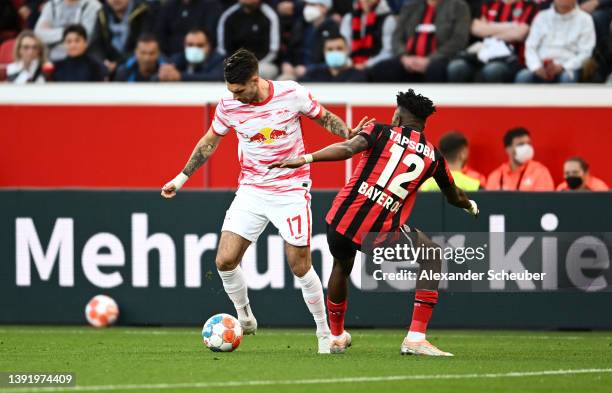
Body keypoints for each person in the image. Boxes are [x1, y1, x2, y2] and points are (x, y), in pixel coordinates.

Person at [160, 49, 374, 354]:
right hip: (251, 189)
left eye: (239, 90)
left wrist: (348, 134)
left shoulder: (290, 93)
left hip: (290, 190)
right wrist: (180, 178)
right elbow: (210, 141)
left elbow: (323, 117)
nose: (234, 96)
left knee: (299, 265)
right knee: (224, 260)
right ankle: (245, 316)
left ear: (255, 80)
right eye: (229, 91)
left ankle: (325, 334)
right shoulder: (228, 106)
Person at [268, 89, 479, 356]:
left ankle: (336, 336)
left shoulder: (378, 131)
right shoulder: (434, 157)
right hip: (379, 234)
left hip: (341, 221)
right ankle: (415, 338)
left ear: (399, 116)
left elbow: (347, 148)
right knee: (431, 254)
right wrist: (469, 205)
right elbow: (453, 195)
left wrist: (306, 158)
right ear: (423, 123)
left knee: (341, 266)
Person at [369, 0, 471, 82]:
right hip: (408, 59)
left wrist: (429, 60)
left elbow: (459, 40)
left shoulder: (459, 6)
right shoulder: (411, 6)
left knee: (435, 70)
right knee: (381, 69)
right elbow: (397, 37)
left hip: (441, 59)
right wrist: (404, 57)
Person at [447, 0, 538, 83]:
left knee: (493, 69)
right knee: (457, 67)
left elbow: (520, 34)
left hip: (514, 61)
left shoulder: (530, 6)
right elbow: (475, 29)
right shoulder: (489, 4)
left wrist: (489, 30)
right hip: (484, 57)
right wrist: (512, 26)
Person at [514, 0, 595, 83]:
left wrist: (563, 67)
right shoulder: (541, 17)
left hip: (568, 67)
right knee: (523, 76)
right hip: (542, 67)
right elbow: (530, 46)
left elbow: (586, 52)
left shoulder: (585, 19)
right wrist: (536, 67)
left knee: (567, 78)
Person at [217, 0, 280, 78]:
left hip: (262, 63)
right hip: (233, 64)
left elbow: (273, 50)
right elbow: (223, 49)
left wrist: (251, 67)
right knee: (220, 71)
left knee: (263, 72)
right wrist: (234, 64)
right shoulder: (228, 15)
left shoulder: (270, 15)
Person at [280, 0, 340, 80]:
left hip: (321, 76)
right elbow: (291, 50)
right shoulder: (301, 25)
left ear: (324, 8)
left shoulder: (332, 29)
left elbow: (335, 61)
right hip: (296, 74)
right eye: (306, 4)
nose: (307, 7)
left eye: (312, 5)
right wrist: (287, 63)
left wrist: (309, 69)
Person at [90, 0, 153, 75]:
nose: (116, 0)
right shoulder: (102, 13)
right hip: (108, 66)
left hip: (135, 66)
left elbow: (145, 45)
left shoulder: (143, 12)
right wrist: (103, 62)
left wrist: (118, 64)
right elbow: (96, 45)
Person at [486, 127, 554, 191]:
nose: (526, 148)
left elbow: (544, 202)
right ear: (508, 149)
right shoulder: (496, 176)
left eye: (528, 144)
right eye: (521, 144)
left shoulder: (540, 172)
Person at [34, 0, 102, 62]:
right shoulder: (52, 5)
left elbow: (86, 36)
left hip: (82, 60)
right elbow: (38, 35)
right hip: (52, 59)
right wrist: (73, 31)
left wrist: (52, 31)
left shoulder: (92, 5)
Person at [339, 0, 396, 70]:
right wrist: (349, 63)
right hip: (351, 66)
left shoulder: (388, 19)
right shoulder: (349, 18)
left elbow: (388, 52)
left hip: (376, 68)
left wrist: (367, 64)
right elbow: (343, 46)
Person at [155, 0, 221, 57]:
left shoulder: (210, 6)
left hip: (202, 53)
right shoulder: (168, 6)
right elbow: (160, 33)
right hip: (171, 54)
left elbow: (210, 34)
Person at [158, 28, 223, 82]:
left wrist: (181, 76)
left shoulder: (219, 60)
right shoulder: (178, 58)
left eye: (200, 45)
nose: (194, 49)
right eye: (190, 45)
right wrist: (165, 73)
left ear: (209, 46)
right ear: (184, 45)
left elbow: (217, 77)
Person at [299, 34, 367, 82]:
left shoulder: (359, 77)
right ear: (324, 52)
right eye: (330, 49)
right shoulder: (313, 76)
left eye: (339, 48)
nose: (335, 52)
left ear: (347, 50)